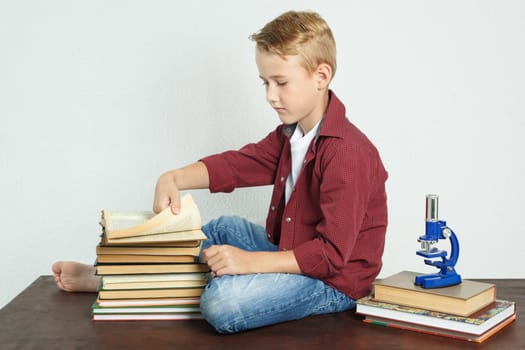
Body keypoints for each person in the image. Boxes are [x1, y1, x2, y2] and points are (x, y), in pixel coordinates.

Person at [52, 10, 388, 334]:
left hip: (333, 283)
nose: (271, 96)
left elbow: (330, 255)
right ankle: (114, 279)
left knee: (223, 303)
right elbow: (241, 164)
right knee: (225, 227)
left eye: (281, 83)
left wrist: (247, 264)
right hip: (290, 250)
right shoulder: (292, 134)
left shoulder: (347, 153)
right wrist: (174, 177)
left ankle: (187, 284)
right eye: (265, 83)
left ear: (321, 76)